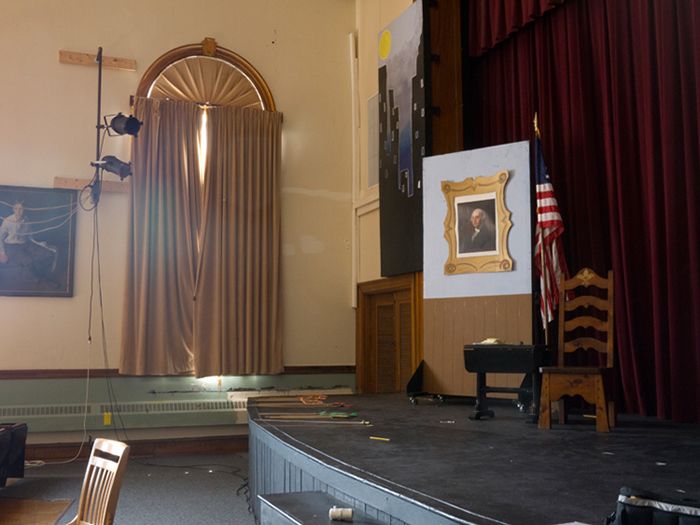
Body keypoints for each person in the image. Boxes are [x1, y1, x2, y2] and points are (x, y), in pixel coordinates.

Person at [0, 202, 57, 283]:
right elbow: (0, 238)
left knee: (47, 253)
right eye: (17, 209)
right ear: (13, 209)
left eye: (21, 209)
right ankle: (43, 280)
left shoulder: (26, 219)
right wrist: (2, 252)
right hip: (12, 246)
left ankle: (40, 274)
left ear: (24, 210)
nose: (19, 211)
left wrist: (39, 243)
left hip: (25, 244)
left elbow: (30, 236)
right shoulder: (8, 220)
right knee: (28, 260)